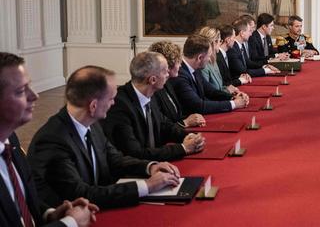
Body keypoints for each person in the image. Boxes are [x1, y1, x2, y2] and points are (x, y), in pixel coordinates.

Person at [28, 66, 181, 209]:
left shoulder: (91, 123)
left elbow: (115, 159)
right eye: (111, 98)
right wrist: (147, 186)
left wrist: (150, 167)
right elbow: (81, 193)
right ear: (93, 106)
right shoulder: (53, 140)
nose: (114, 102)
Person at [0, 52, 99, 226]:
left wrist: (50, 214)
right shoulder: (51, 136)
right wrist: (70, 223)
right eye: (21, 91)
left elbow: (18, 198)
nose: (35, 95)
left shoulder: (10, 141)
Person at [101, 52, 205, 162]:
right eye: (165, 71)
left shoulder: (151, 94)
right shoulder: (120, 105)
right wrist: (183, 148)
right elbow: (135, 153)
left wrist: (188, 136)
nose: (168, 74)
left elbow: (164, 125)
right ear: (153, 80)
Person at [169, 35, 248, 114]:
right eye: (209, 56)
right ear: (200, 58)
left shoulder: (195, 68)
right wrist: (234, 104)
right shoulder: (179, 75)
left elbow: (211, 91)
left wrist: (233, 97)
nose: (210, 59)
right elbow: (198, 106)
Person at [148, 41, 206, 128]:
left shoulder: (168, 83)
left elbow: (176, 115)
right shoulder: (154, 89)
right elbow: (160, 124)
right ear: (168, 65)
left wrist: (194, 118)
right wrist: (185, 122)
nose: (180, 66)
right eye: (178, 61)